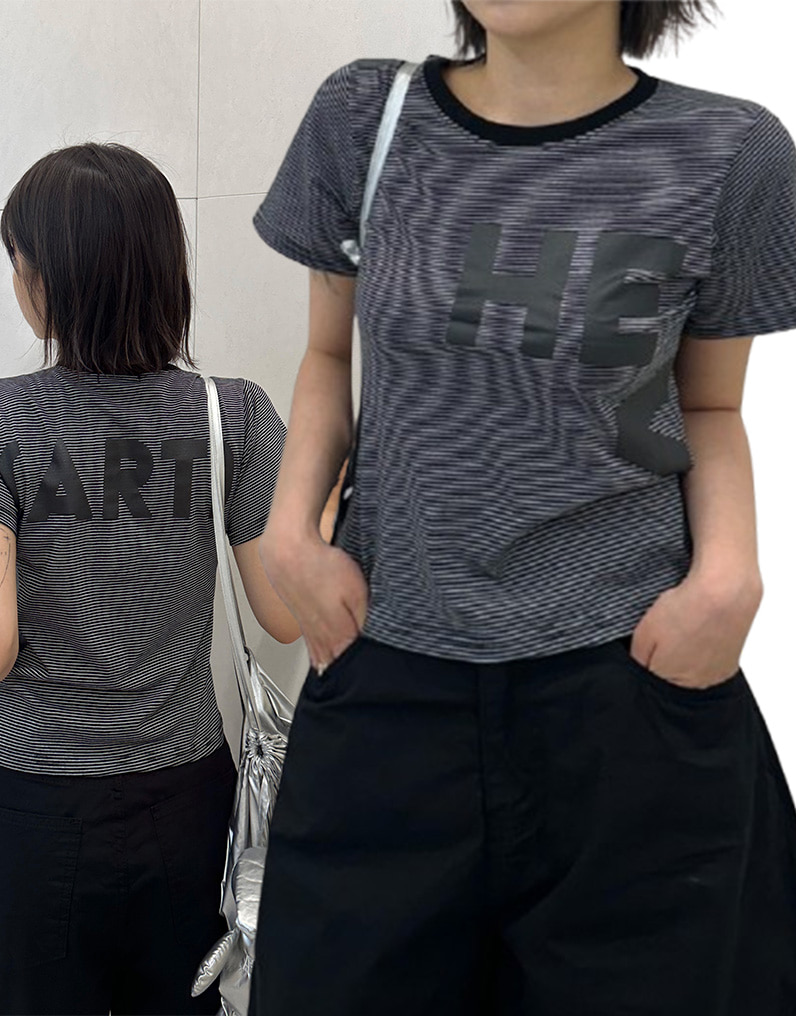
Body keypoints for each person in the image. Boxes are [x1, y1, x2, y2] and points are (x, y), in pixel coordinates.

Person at [247, 1, 796, 1013]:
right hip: (390, 688)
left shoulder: (731, 152)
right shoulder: (365, 118)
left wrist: (731, 573)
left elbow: (710, 405)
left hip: (628, 694)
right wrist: (291, 529)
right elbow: (328, 354)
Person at [0, 142, 302, 1016]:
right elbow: (282, 615)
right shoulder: (233, 413)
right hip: (184, 805)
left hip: (29, 804)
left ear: (47, 278)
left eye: (18, 257)